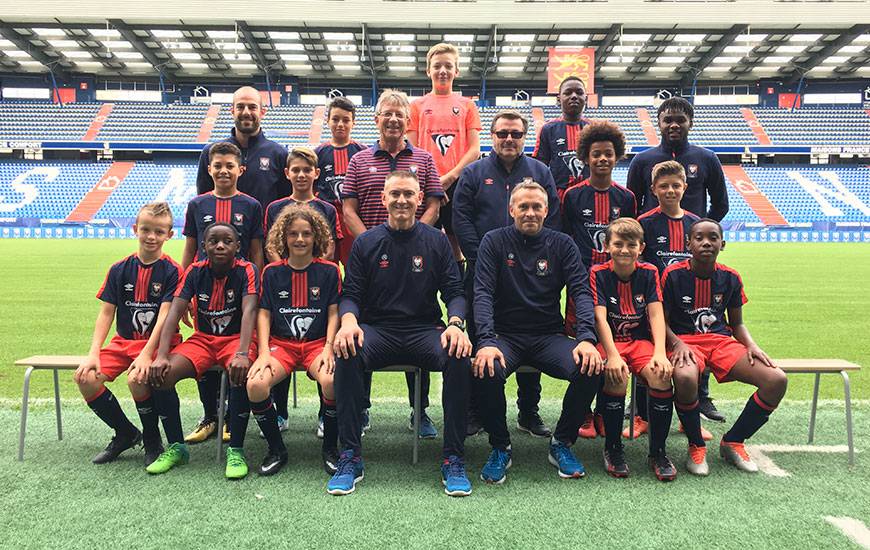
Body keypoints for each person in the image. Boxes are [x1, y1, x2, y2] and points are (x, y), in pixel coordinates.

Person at [328, 170, 473, 497]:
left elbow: (455, 292)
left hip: (424, 329)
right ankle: (350, 456)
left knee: (459, 354)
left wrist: (456, 324)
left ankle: (453, 457)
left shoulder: (436, 240)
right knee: (347, 351)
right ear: (384, 199)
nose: (402, 200)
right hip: (378, 330)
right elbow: (350, 293)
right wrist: (349, 322)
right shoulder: (366, 242)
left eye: (409, 194)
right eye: (395, 194)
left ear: (420, 198)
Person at [473, 181, 602, 483]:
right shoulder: (494, 241)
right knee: (485, 367)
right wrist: (486, 341)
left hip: (548, 336)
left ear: (546, 210)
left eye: (536, 207)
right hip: (505, 336)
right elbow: (482, 294)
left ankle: (562, 442)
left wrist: (586, 339)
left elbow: (581, 292)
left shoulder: (562, 244)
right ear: (511, 210)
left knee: (591, 367)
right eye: (523, 207)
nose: (530, 213)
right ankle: (500, 445)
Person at [341, 89, 444, 438]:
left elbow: (433, 204)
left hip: (416, 258)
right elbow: (348, 209)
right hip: (371, 260)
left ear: (408, 121)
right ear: (377, 119)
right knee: (366, 326)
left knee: (421, 323)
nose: (394, 119)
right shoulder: (359, 160)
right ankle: (362, 407)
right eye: (387, 113)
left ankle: (421, 411)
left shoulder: (426, 159)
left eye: (400, 114)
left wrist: (415, 238)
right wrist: (371, 241)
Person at [452, 109, 559, 437]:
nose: (509, 139)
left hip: (529, 273)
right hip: (482, 272)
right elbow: (461, 217)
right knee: (477, 340)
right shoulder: (473, 173)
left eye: (515, 134)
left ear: (524, 138)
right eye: (502, 134)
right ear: (492, 136)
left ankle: (529, 411)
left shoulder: (540, 171)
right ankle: (476, 410)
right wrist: (483, 257)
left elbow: (551, 214)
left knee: (530, 333)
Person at [627, 98, 731, 422]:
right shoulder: (643, 160)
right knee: (646, 330)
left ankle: (700, 397)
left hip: (692, 263)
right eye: (667, 119)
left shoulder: (706, 158)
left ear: (690, 122)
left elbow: (722, 205)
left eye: (680, 119)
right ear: (658, 122)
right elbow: (632, 207)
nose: (674, 124)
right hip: (652, 262)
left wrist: (700, 234)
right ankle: (642, 404)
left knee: (698, 320)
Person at [662, 219, 787, 474]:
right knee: (685, 377)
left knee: (776, 380)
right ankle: (696, 446)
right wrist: (677, 343)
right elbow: (659, 322)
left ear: (723, 244)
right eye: (699, 238)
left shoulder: (730, 277)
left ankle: (733, 440)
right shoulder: (672, 275)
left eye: (712, 238)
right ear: (688, 243)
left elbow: (737, 324)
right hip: (685, 342)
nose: (706, 242)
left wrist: (752, 345)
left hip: (721, 342)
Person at [142, 223, 259, 477]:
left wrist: (242, 352)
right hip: (203, 339)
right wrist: (161, 355)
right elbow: (174, 311)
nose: (219, 245)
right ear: (203, 247)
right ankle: (176, 447)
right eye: (213, 241)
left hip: (236, 340)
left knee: (241, 372)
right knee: (161, 374)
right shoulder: (195, 271)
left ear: (238, 247)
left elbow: (250, 310)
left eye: (227, 241)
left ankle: (236, 450)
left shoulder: (247, 270)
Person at [74, 202, 181, 466]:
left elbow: (166, 317)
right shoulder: (119, 269)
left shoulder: (173, 271)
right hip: (124, 342)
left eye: (159, 231)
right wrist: (93, 353)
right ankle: (125, 433)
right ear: (135, 229)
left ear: (170, 235)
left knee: (138, 378)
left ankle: (152, 438)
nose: (151, 236)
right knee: (86, 378)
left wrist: (146, 354)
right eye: (146, 229)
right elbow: (106, 313)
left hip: (159, 344)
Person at [247, 204, 341, 476]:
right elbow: (263, 315)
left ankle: (330, 449)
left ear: (317, 237)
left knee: (332, 381)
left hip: (316, 345)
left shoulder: (330, 271)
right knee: (255, 384)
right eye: (293, 234)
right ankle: (276, 449)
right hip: (282, 346)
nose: (300, 239)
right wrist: (264, 353)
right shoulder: (272, 272)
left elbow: (334, 312)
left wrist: (328, 348)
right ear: (283, 237)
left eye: (307, 234)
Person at [589, 218, 686, 481]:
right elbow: (600, 318)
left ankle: (658, 452)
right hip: (611, 343)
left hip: (640, 342)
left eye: (631, 245)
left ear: (640, 247)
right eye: (618, 244)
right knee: (617, 375)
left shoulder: (649, 272)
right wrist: (612, 355)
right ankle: (613, 449)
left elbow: (656, 315)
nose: (624, 250)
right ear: (607, 246)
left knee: (661, 374)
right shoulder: (598, 273)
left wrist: (659, 353)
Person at [183, 142, 264, 445]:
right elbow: (190, 248)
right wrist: (185, 291)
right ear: (209, 169)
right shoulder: (197, 204)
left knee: (234, 350)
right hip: (204, 291)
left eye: (230, 165)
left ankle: (231, 418)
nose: (224, 171)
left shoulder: (251, 205)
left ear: (240, 170)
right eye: (218, 165)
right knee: (206, 353)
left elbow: (256, 253)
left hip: (241, 292)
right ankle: (210, 416)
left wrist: (254, 290)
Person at [561, 120, 636, 439]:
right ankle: (585, 412)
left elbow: (632, 241)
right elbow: (564, 238)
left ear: (617, 156)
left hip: (616, 283)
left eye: (608, 154)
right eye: (596, 154)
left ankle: (608, 410)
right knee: (585, 344)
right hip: (581, 283)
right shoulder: (573, 196)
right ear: (585, 158)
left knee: (614, 344)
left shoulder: (627, 197)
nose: (602, 159)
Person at [407, 42, 482, 261]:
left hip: (458, 183)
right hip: (424, 182)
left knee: (455, 239)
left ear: (456, 71)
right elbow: (412, 150)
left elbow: (474, 149)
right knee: (420, 237)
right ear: (428, 70)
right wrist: (432, 180)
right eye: (437, 66)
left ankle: (458, 292)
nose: (442, 71)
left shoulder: (467, 105)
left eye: (448, 66)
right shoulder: (417, 105)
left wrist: (449, 177)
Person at [196, 86, 290, 209]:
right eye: (240, 107)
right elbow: (203, 200)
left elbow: (285, 203)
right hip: (222, 227)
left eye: (252, 107)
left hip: (264, 228)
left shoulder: (279, 154)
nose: (246, 112)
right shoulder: (210, 152)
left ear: (262, 112)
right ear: (232, 111)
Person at [265, 147, 343, 263]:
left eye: (307, 170)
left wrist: (310, 271)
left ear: (316, 173)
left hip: (316, 276)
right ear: (287, 173)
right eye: (296, 170)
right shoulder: (274, 208)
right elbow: (271, 248)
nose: (301, 175)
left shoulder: (328, 209)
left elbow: (329, 249)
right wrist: (284, 271)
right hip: (283, 277)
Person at [314, 96, 366, 268]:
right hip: (325, 217)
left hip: (353, 217)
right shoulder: (318, 153)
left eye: (346, 120)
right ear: (327, 121)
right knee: (325, 264)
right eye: (335, 119)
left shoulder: (362, 152)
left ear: (353, 123)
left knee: (355, 265)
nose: (340, 124)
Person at [533, 76, 591, 197]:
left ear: (586, 98)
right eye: (568, 92)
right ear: (559, 99)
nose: (574, 96)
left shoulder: (594, 128)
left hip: (588, 195)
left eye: (579, 92)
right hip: (557, 197)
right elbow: (539, 165)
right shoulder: (548, 129)